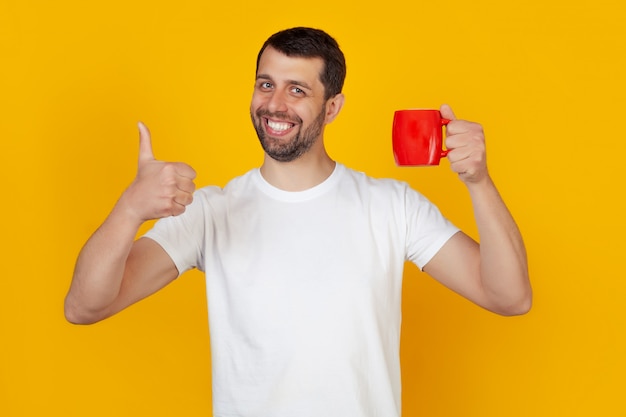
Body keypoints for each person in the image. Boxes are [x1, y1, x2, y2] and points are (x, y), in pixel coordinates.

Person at [65, 27, 531, 417]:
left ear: (332, 108)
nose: (276, 104)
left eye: (298, 89)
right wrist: (129, 209)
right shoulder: (210, 213)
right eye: (266, 84)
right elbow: (84, 307)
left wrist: (479, 182)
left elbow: (509, 296)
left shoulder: (391, 206)